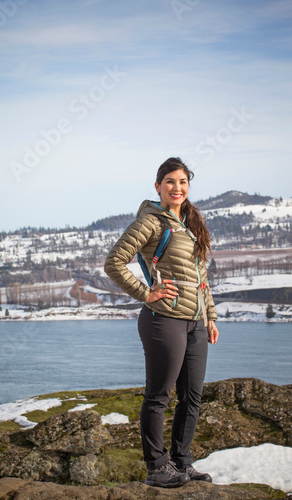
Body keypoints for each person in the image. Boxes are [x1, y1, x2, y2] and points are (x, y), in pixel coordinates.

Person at [104, 157, 219, 488]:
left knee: (192, 397)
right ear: (158, 187)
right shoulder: (152, 222)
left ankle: (181, 464)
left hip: (195, 322)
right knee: (158, 396)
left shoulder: (190, 223)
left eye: (183, 182)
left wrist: (210, 316)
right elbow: (114, 262)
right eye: (170, 181)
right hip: (163, 320)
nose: (177, 187)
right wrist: (145, 293)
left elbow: (201, 278)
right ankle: (156, 467)